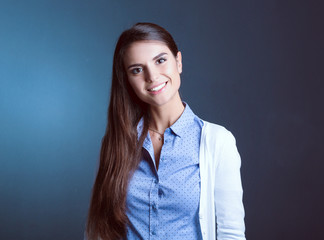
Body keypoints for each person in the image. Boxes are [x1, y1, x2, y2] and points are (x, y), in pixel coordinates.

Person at [86, 22, 246, 240]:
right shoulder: (115, 144)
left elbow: (231, 234)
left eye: (160, 60)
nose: (152, 76)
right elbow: (97, 230)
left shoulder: (217, 142)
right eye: (137, 70)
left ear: (178, 62)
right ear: (127, 79)